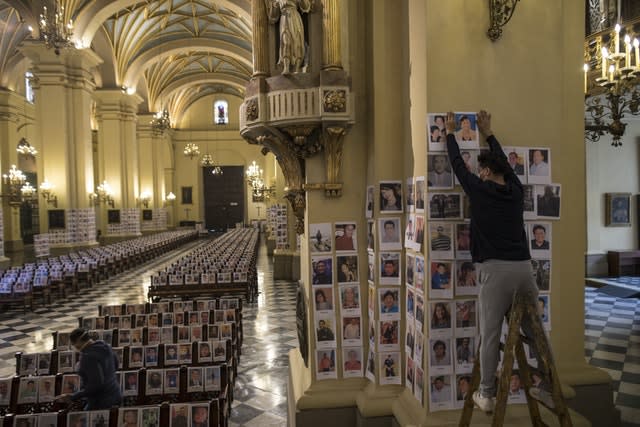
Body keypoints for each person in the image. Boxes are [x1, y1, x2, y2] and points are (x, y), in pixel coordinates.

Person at [444, 110, 549, 411]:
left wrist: (450, 133)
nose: (478, 175)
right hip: (524, 270)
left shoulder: (480, 189)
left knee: (490, 334)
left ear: (486, 173)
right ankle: (549, 387)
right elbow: (503, 162)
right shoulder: (516, 191)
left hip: (495, 271)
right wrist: (489, 134)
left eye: (481, 171)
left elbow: (457, 167)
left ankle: (487, 394)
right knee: (535, 331)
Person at [56, 328, 121, 410]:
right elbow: (116, 364)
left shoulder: (87, 357)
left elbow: (96, 385)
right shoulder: (105, 345)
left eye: (73, 344)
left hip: (100, 401)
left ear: (78, 342)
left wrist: (74, 396)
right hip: (116, 393)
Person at [267, 0, 312, 75]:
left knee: (297, 42)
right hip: (284, 19)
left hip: (295, 17)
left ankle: (297, 68)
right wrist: (274, 6)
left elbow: (306, 7)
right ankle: (286, 67)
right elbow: (273, 17)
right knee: (286, 42)